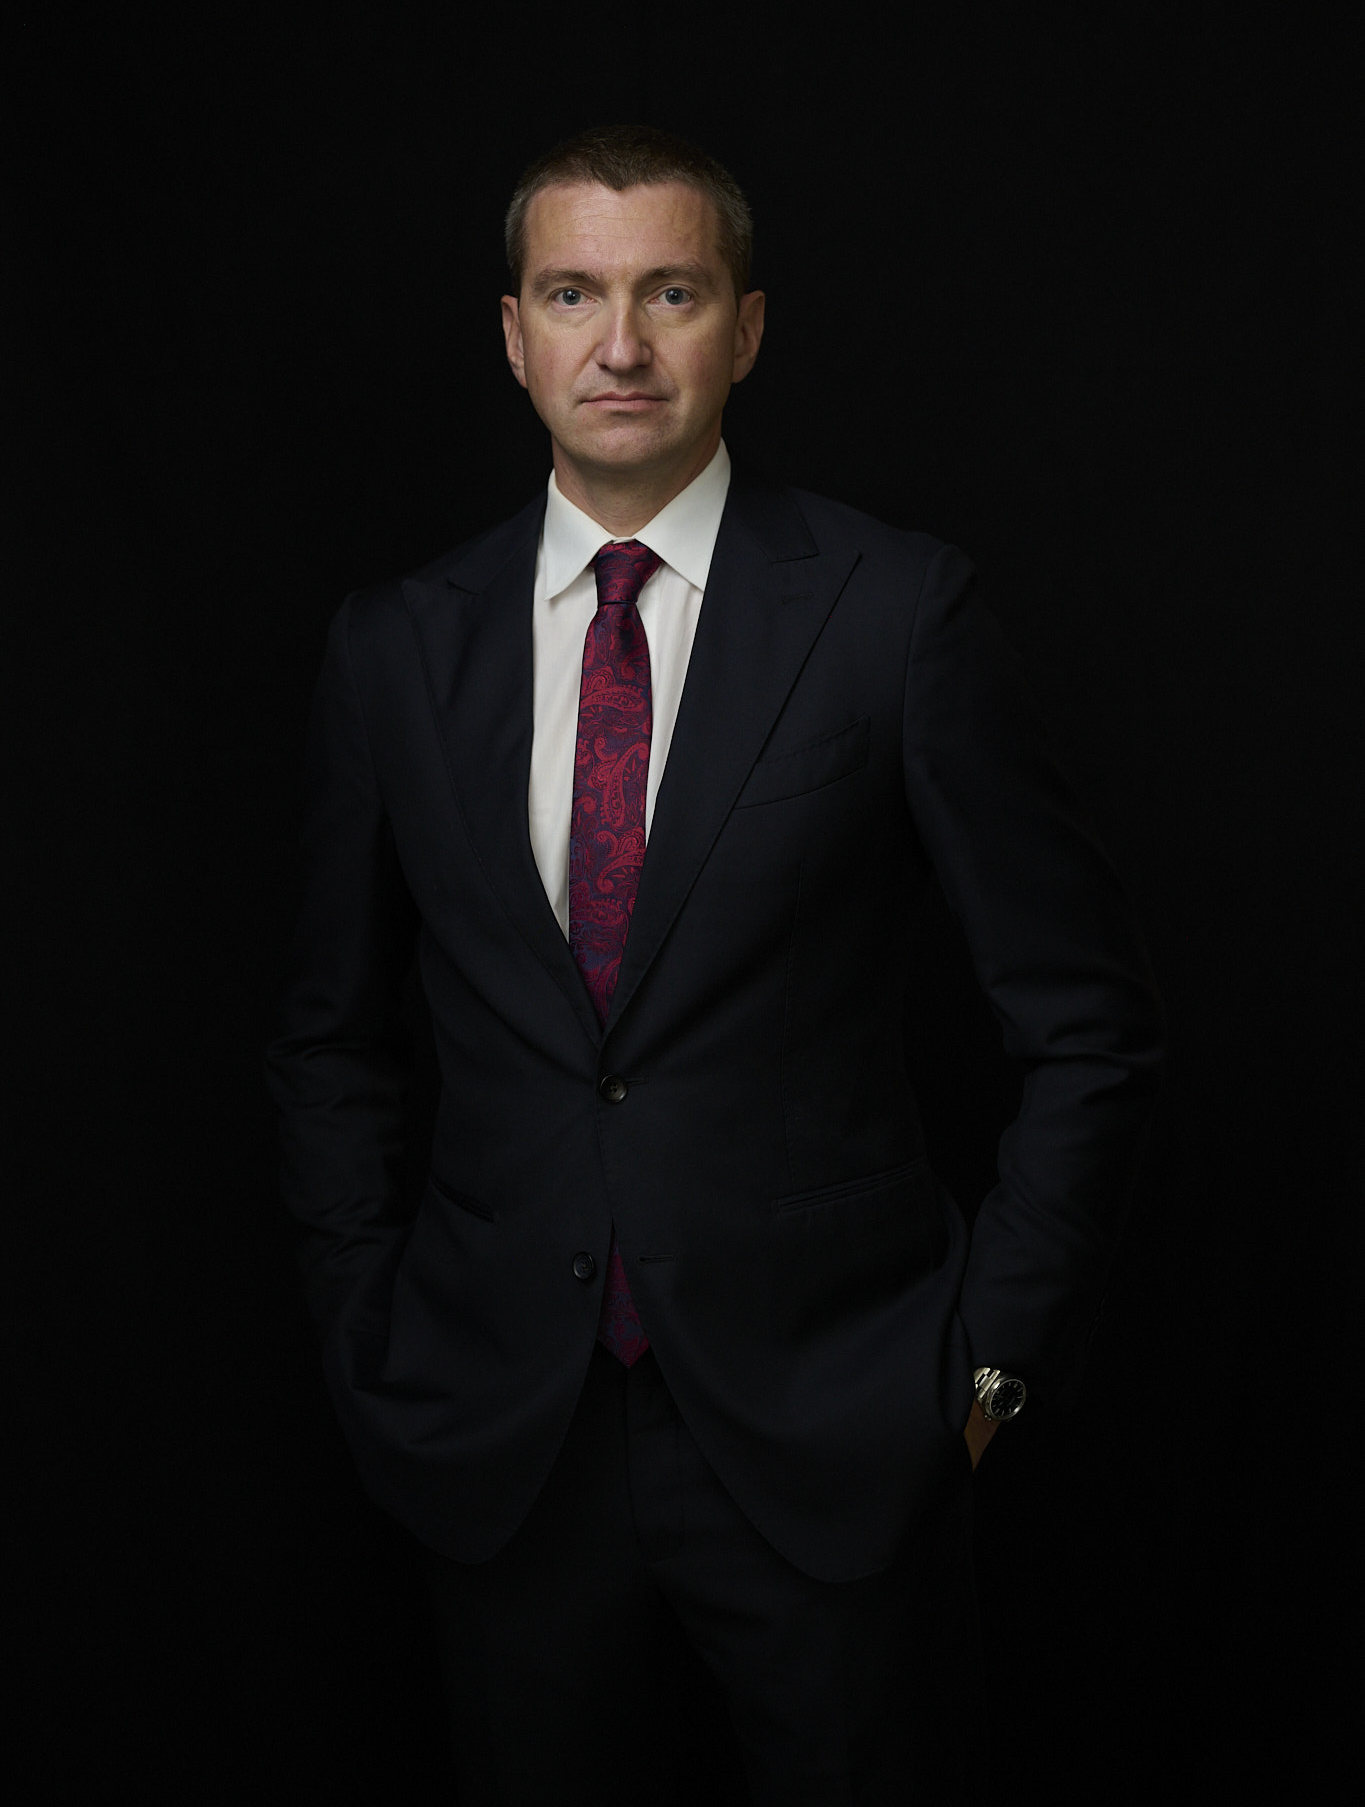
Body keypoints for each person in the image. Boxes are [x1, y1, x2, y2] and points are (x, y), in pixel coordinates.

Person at [266, 123, 1164, 1803]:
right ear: (513, 334)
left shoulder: (894, 614)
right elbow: (328, 1037)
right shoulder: (393, 647)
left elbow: (1087, 1029)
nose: (619, 344)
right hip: (502, 1443)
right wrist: (368, 1339)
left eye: (669, 292)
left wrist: (986, 1371)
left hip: (840, 1434)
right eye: (572, 294)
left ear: (744, 328)